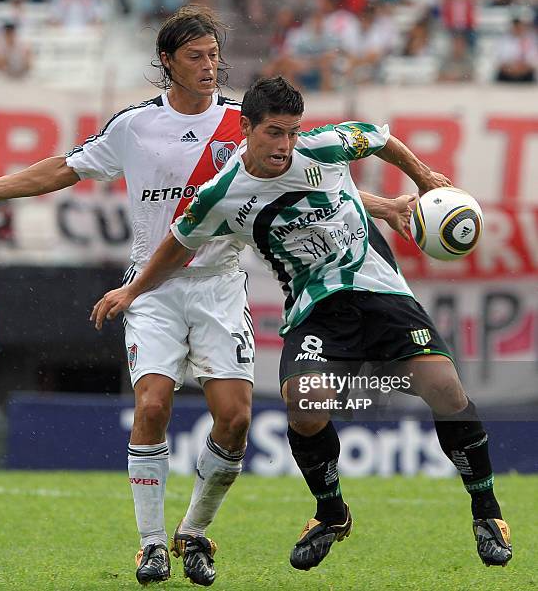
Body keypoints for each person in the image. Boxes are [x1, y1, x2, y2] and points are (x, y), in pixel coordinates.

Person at [0, 8, 411, 586]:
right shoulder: (134, 126)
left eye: (214, 55)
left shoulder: (243, 121)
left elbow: (311, 174)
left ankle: (195, 531)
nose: (210, 66)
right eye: (196, 57)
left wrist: (384, 207)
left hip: (219, 285)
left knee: (234, 419)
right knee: (153, 406)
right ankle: (152, 545)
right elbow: (65, 168)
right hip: (153, 288)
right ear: (168, 61)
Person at [91, 76, 513, 572]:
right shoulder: (220, 195)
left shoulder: (325, 146)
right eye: (274, 133)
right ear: (246, 128)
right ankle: (331, 514)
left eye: (292, 132)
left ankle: (487, 513)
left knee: (443, 387)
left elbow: (380, 139)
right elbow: (176, 246)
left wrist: (421, 179)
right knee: (306, 406)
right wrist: (132, 289)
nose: (286, 145)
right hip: (316, 309)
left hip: (380, 292)